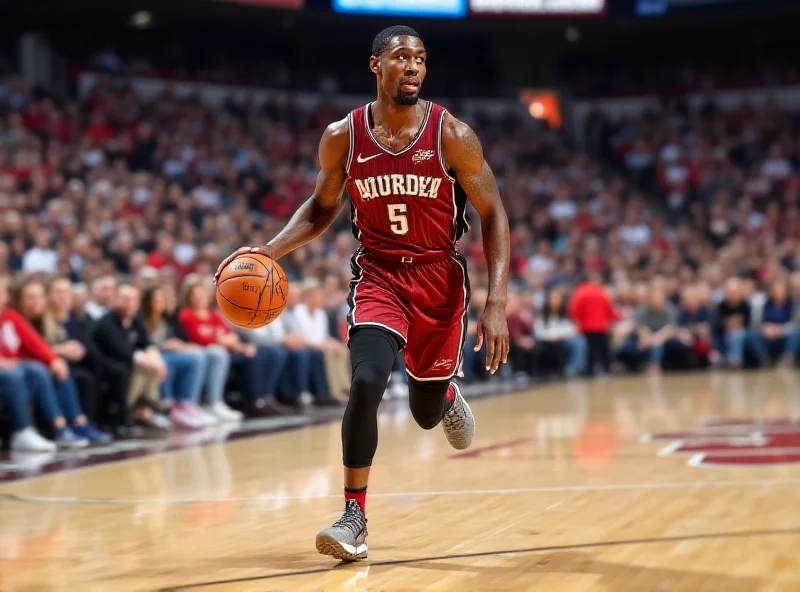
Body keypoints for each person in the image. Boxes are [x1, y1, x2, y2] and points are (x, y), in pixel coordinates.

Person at [215, 25, 510, 562]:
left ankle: (442, 394)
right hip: (377, 276)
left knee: (422, 411)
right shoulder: (342, 136)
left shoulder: (453, 135)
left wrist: (496, 304)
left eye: (421, 58)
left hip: (439, 281)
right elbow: (322, 207)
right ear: (376, 66)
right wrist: (267, 252)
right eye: (402, 57)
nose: (414, 66)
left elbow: (493, 214)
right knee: (367, 381)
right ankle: (354, 515)